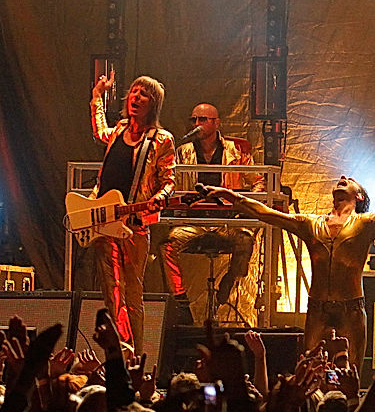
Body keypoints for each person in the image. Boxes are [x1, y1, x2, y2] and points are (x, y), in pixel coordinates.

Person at [203, 176, 375, 370]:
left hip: (351, 309)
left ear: (359, 196)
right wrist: (233, 197)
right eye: (341, 179)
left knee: (353, 372)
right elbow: (268, 214)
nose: (343, 177)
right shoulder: (310, 223)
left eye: (349, 180)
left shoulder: (367, 223)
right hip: (317, 308)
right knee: (308, 367)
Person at [89, 73, 176, 351]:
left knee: (132, 292)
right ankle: (118, 351)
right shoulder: (119, 130)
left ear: (154, 104)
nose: (135, 97)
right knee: (110, 290)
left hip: (134, 224)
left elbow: (169, 180)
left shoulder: (161, 140)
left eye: (143, 94)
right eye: (134, 92)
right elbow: (99, 131)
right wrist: (97, 98)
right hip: (105, 220)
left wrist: (160, 197)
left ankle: (137, 355)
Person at [157, 102, 263, 325]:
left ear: (217, 123)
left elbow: (258, 182)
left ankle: (227, 286)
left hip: (227, 222)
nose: (197, 124)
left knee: (246, 239)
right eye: (194, 119)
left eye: (202, 119)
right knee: (168, 245)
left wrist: (243, 204)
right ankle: (181, 301)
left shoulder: (237, 151)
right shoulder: (182, 152)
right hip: (194, 221)